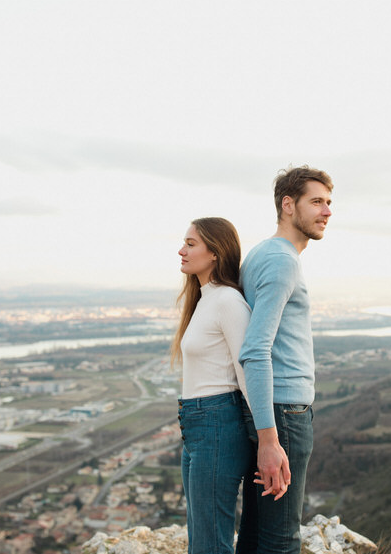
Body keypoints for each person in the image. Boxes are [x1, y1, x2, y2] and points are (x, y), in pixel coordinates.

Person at [235, 166, 333, 554]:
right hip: (284, 415)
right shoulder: (282, 261)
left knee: (257, 533)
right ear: (288, 205)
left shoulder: (261, 253)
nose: (326, 212)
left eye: (328, 203)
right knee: (281, 540)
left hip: (267, 409)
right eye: (316, 202)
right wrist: (270, 438)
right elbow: (255, 349)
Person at [173, 217, 253, 554]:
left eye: (191, 244)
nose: (182, 250)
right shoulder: (205, 299)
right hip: (196, 426)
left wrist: (268, 440)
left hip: (218, 424)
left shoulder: (228, 302)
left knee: (210, 545)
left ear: (216, 252)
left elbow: (249, 372)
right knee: (200, 539)